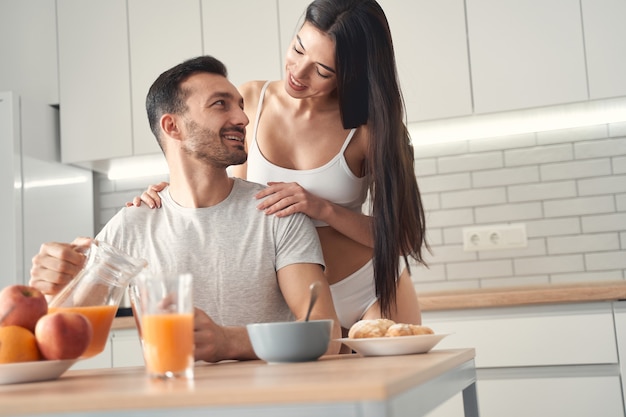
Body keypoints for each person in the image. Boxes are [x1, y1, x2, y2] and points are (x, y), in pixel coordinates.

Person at [130, 0, 428, 335]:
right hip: (287, 299)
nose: (298, 73)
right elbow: (221, 194)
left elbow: (404, 237)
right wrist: (169, 197)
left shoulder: (369, 130)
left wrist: (323, 209)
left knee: (388, 385)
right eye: (298, 49)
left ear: (352, 74)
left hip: (367, 290)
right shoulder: (252, 100)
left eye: (323, 70)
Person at [30, 55, 341, 362]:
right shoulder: (133, 223)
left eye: (240, 105)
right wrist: (53, 287)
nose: (243, 118)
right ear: (172, 126)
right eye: (221, 104)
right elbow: (65, 344)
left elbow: (326, 335)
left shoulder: (276, 213)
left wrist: (229, 341)